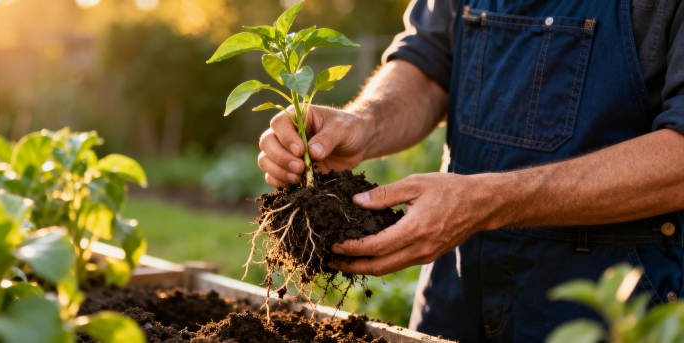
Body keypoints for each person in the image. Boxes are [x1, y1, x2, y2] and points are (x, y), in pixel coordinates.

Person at [256, 0, 684, 341]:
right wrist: (364, 123)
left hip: (610, 305)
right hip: (456, 294)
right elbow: (428, 59)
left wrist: (489, 202)